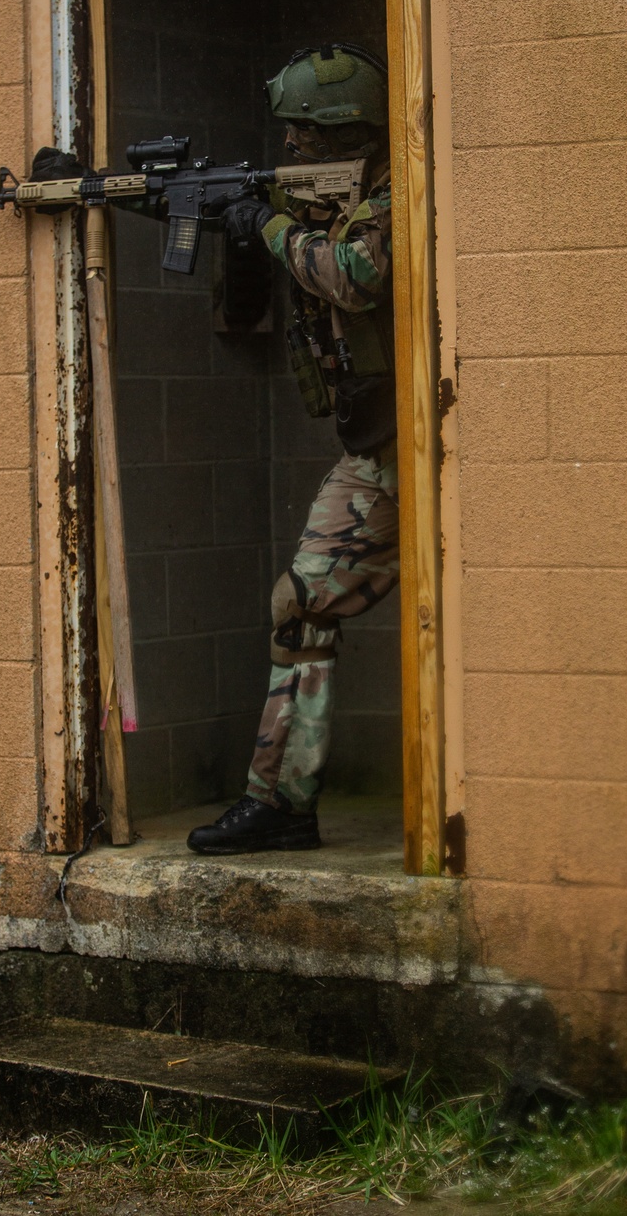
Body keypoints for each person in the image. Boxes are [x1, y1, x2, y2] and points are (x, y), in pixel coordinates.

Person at [186, 43, 400, 855]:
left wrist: (268, 224)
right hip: (377, 456)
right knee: (298, 604)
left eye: (306, 137)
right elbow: (262, 214)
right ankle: (280, 803)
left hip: (435, 452)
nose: (293, 152)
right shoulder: (322, 198)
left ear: (348, 133)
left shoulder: (393, 198)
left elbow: (354, 275)